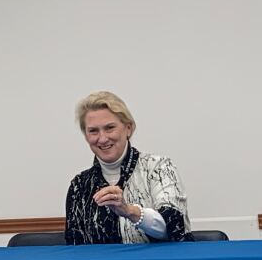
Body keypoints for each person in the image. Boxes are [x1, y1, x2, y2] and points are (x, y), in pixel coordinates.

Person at [65, 91, 192, 244]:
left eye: (110, 128)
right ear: (86, 136)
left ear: (128, 128)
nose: (103, 138)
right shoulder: (79, 185)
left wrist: (129, 211)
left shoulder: (158, 167)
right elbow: (74, 248)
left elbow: (174, 227)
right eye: (93, 131)